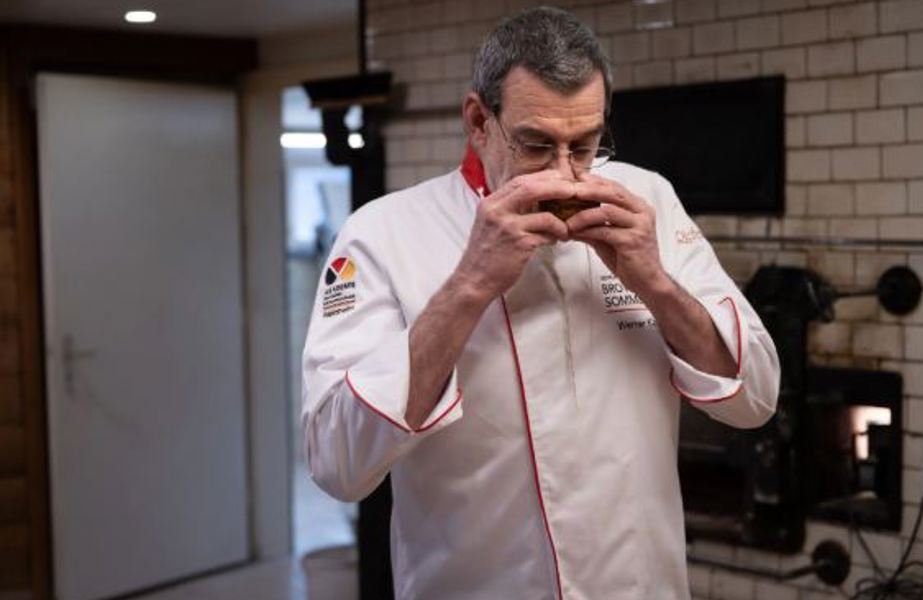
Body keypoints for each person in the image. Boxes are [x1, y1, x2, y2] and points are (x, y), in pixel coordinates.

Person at [302, 7, 780, 599]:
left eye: (585, 145)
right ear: (479, 120)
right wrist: (469, 286)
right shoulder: (383, 232)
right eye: (536, 144)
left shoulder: (646, 198)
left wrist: (653, 280)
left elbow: (756, 397)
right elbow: (337, 462)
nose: (567, 174)